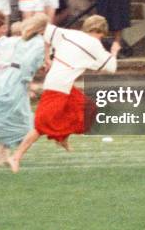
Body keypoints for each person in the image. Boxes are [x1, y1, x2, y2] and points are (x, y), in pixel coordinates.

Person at [9, 15, 120, 173]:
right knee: (41, 126)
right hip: (58, 86)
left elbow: (45, 30)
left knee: (86, 107)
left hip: (62, 84)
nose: (102, 37)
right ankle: (16, 156)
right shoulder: (94, 45)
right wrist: (114, 52)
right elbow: (111, 68)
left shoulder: (69, 33)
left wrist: (48, 57)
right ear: (98, 30)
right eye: (103, 34)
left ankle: (62, 138)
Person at [0, 14, 48, 167]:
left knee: (11, 116)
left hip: (3, 77)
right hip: (16, 80)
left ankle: (1, 155)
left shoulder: (18, 40)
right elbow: (27, 64)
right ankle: (10, 155)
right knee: (22, 120)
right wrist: (28, 82)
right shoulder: (38, 43)